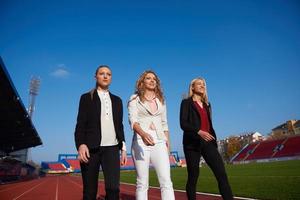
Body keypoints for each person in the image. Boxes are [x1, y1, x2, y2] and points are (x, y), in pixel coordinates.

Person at [74, 65, 127, 200]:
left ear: (111, 78)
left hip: (112, 149)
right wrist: (81, 144)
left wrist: (123, 149)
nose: (105, 76)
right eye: (102, 73)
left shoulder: (118, 101)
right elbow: (80, 124)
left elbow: (120, 126)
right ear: (95, 77)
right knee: (90, 192)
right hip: (91, 150)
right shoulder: (86, 98)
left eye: (108, 74)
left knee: (113, 190)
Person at [180, 77, 233, 200]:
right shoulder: (186, 102)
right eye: (199, 84)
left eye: (204, 84)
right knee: (193, 176)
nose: (202, 86)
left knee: (221, 174)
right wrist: (198, 131)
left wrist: (213, 140)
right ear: (192, 87)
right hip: (192, 144)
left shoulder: (207, 104)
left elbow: (209, 124)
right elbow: (183, 123)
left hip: (208, 143)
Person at [128, 70, 175, 200]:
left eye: (154, 79)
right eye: (148, 78)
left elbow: (165, 124)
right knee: (142, 183)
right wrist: (143, 134)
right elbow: (133, 121)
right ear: (142, 82)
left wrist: (168, 144)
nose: (152, 80)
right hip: (140, 141)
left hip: (160, 141)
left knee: (166, 181)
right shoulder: (134, 99)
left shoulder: (161, 101)